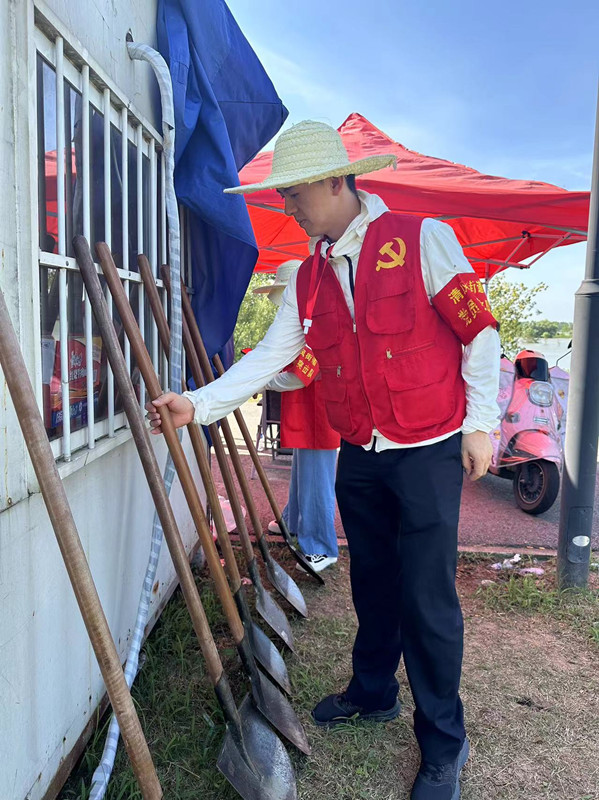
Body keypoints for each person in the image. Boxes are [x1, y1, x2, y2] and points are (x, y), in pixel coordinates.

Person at [146, 120, 501, 800]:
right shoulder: (307, 275)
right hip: (359, 450)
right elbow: (272, 356)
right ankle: (373, 692)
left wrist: (480, 425)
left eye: (294, 193)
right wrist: (199, 402)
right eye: (283, 195)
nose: (287, 206)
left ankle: (442, 743)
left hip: (426, 447)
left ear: (336, 182)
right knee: (372, 578)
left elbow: (478, 332)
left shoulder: (421, 238)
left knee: (426, 597)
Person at [254, 260, 340, 572]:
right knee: (303, 472)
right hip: (306, 409)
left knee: (317, 480)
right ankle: (292, 520)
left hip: (319, 411)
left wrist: (263, 380)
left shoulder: (316, 323)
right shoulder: (300, 323)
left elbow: (302, 376)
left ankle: (321, 546)